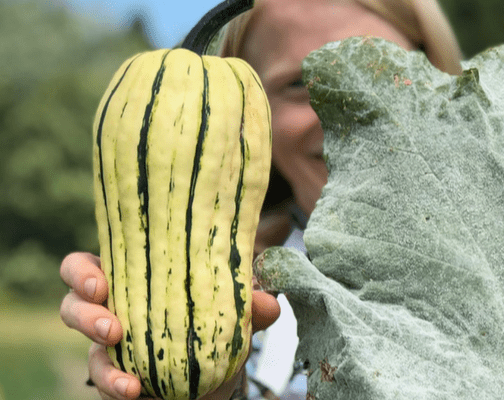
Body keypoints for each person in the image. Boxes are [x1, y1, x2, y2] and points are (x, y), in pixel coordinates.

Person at [59, 0, 462, 399]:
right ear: (246, 123)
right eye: (298, 84)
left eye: (381, 72)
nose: (344, 113)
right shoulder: (245, 307)